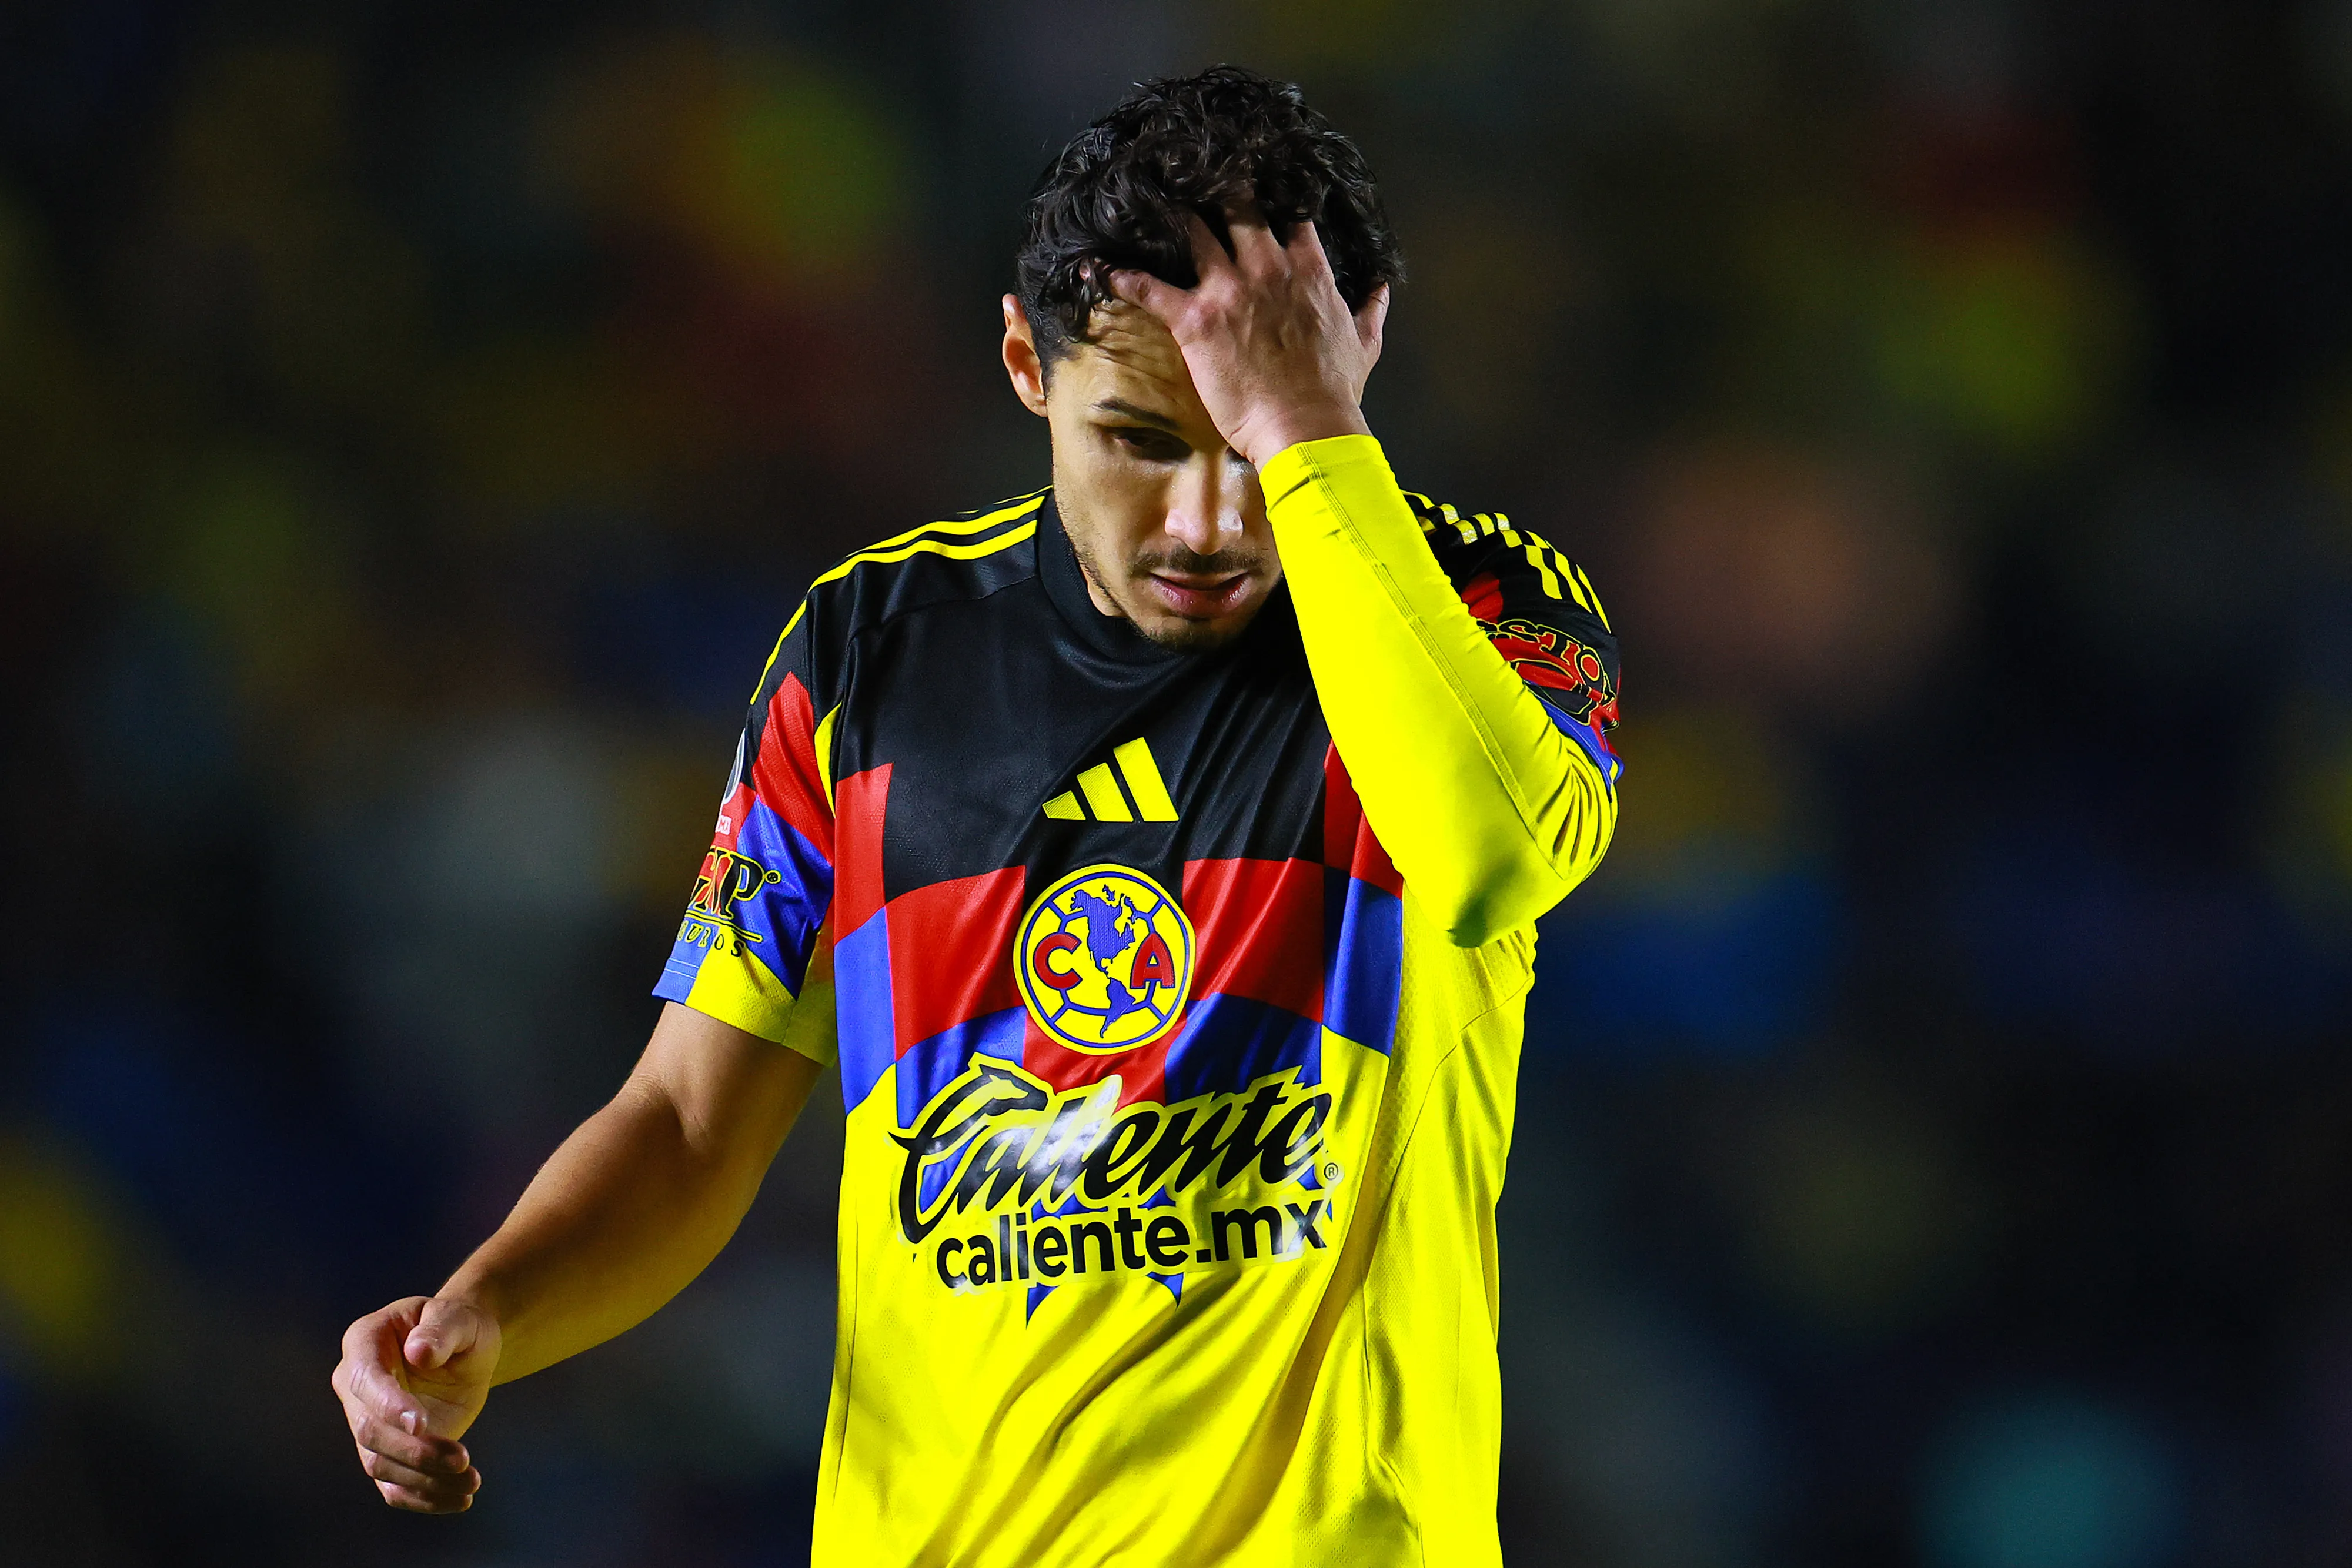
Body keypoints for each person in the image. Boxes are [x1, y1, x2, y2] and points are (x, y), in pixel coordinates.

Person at [332, 64, 1622, 1566]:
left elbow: (1487, 854)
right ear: (1023, 363)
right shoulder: (865, 657)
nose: (1209, 523)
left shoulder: (1477, 611)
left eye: (1249, 447)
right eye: (1143, 439)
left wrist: (1310, 436)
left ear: (1359, 345)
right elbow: (687, 1120)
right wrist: (488, 1307)